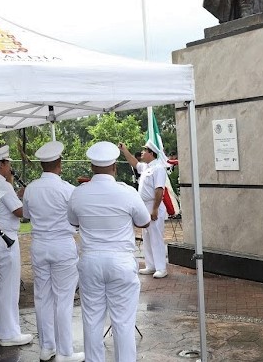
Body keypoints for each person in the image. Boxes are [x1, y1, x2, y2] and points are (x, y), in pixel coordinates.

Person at [68, 142, 150, 362]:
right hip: (120, 261)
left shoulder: (79, 193)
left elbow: (72, 221)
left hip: (91, 261)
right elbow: (145, 221)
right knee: (123, 322)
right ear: (114, 166)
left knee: (92, 320)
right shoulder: (127, 192)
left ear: (92, 167)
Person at [22, 141, 84, 362]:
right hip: (61, 245)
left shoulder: (30, 188)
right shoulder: (67, 189)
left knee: (42, 298)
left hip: (39, 245)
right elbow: (77, 219)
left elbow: (26, 216)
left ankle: (46, 347)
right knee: (63, 299)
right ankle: (65, 351)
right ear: (59, 163)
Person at [0, 145, 33, 347]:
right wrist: (28, 199)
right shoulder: (2, 184)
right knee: (8, 287)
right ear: (1, 164)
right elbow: (19, 212)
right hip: (3, 238)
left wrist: (17, 193)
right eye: (8, 163)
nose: (10, 167)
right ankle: (10, 333)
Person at [119, 140, 169, 278]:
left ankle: (161, 267)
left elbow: (159, 190)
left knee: (156, 237)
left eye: (144, 150)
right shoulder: (146, 167)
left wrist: (155, 209)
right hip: (144, 205)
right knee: (146, 236)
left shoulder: (158, 168)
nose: (142, 152)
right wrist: (125, 150)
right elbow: (134, 163)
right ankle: (151, 265)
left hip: (154, 205)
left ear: (151, 153)